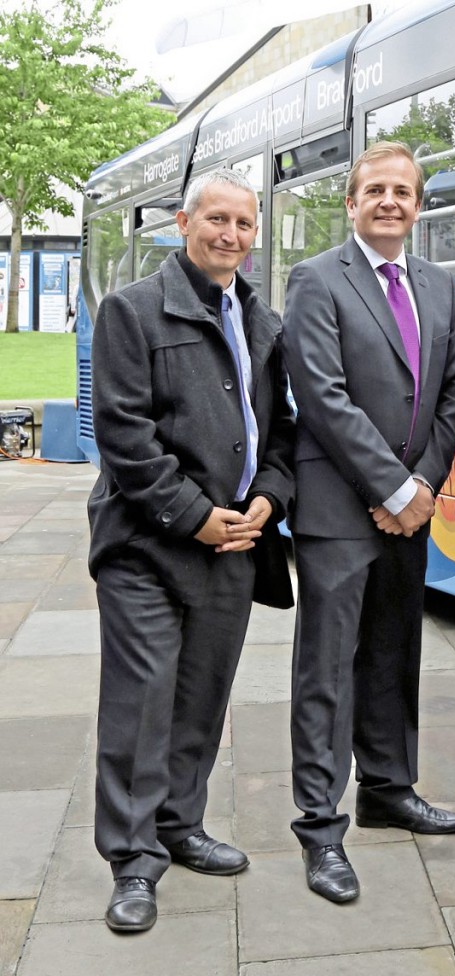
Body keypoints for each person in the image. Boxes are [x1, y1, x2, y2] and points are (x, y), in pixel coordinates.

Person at [88, 167, 295, 933]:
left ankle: (180, 823)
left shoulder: (261, 319)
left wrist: (269, 499)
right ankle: (134, 861)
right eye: (216, 220)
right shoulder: (133, 311)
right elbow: (125, 437)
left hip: (235, 544)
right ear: (183, 222)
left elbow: (280, 433)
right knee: (141, 703)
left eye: (244, 224)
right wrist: (196, 514)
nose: (230, 235)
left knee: (203, 696)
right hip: (147, 544)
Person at [280, 141, 455, 904]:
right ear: (352, 203)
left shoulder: (440, 286)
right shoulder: (317, 279)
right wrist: (392, 487)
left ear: (419, 206)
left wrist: (423, 484)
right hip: (339, 510)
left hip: (411, 509)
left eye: (404, 191)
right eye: (376, 190)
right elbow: (319, 394)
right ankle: (320, 828)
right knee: (327, 670)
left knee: (394, 655)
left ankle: (389, 789)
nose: (391, 201)